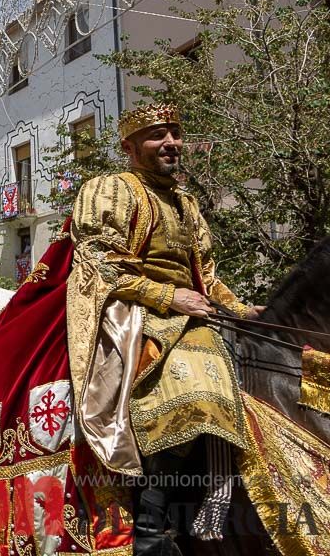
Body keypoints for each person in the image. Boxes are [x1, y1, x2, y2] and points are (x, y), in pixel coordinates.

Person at [69, 103, 262, 551]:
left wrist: (238, 308)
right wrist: (167, 296)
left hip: (190, 311)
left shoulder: (185, 202)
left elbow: (206, 274)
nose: (171, 142)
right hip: (133, 309)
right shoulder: (113, 189)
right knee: (197, 382)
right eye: (157, 135)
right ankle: (150, 526)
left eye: (175, 133)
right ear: (130, 147)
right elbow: (99, 260)